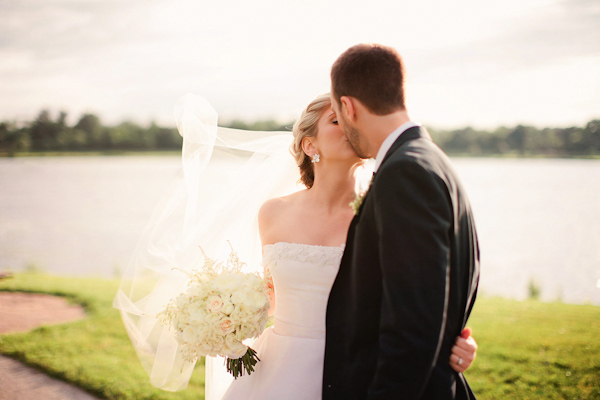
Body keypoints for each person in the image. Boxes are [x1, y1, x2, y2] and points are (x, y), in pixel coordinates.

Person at [220, 93, 477, 400]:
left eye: (352, 119)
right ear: (309, 145)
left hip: (355, 368)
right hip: (278, 368)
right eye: (335, 120)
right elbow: (273, 293)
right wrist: (229, 319)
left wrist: (452, 341)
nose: (348, 126)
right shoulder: (272, 212)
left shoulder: (381, 213)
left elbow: (410, 299)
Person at [323, 44, 480, 399]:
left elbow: (412, 331)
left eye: (337, 113)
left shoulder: (405, 173)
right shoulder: (431, 160)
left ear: (347, 106)